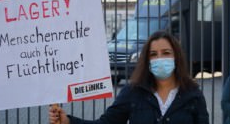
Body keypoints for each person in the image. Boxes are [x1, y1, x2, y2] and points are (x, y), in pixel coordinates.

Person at [49, 30, 209, 124]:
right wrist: (68, 121)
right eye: (153, 54)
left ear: (176, 57)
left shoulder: (193, 94)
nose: (159, 58)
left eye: (166, 53)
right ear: (147, 60)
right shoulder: (133, 92)